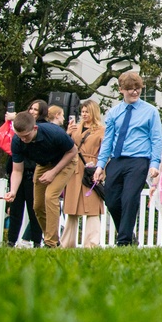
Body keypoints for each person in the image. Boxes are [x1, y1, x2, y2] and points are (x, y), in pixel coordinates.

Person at [94, 72, 162, 246]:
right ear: (121, 90)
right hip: (117, 160)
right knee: (111, 200)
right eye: (130, 89)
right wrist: (100, 165)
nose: (134, 92)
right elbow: (108, 140)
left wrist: (155, 164)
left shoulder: (150, 111)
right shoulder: (113, 113)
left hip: (139, 161)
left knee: (129, 199)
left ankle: (123, 241)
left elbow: (156, 138)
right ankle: (128, 235)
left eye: (137, 89)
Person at [4, 111, 79, 248]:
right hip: (44, 165)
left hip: (66, 161)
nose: (24, 140)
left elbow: (73, 151)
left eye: (26, 136)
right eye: (20, 137)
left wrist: (53, 172)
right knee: (37, 206)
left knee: (50, 196)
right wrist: (13, 191)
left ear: (35, 128)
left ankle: (50, 243)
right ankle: (53, 239)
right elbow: (17, 170)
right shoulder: (17, 141)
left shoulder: (53, 132)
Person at [62, 100, 106, 248]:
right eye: (82, 111)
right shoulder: (76, 128)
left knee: (93, 207)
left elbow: (105, 152)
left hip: (91, 168)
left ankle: (91, 243)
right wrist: (68, 133)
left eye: (87, 111)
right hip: (74, 168)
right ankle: (67, 242)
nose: (84, 114)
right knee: (72, 208)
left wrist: (101, 169)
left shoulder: (101, 130)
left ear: (93, 112)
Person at [5, 100, 48, 248]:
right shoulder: (19, 132)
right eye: (31, 108)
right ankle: (11, 241)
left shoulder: (42, 129)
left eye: (36, 110)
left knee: (34, 210)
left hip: (34, 173)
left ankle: (37, 241)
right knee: (15, 208)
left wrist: (14, 116)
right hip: (18, 171)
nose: (32, 111)